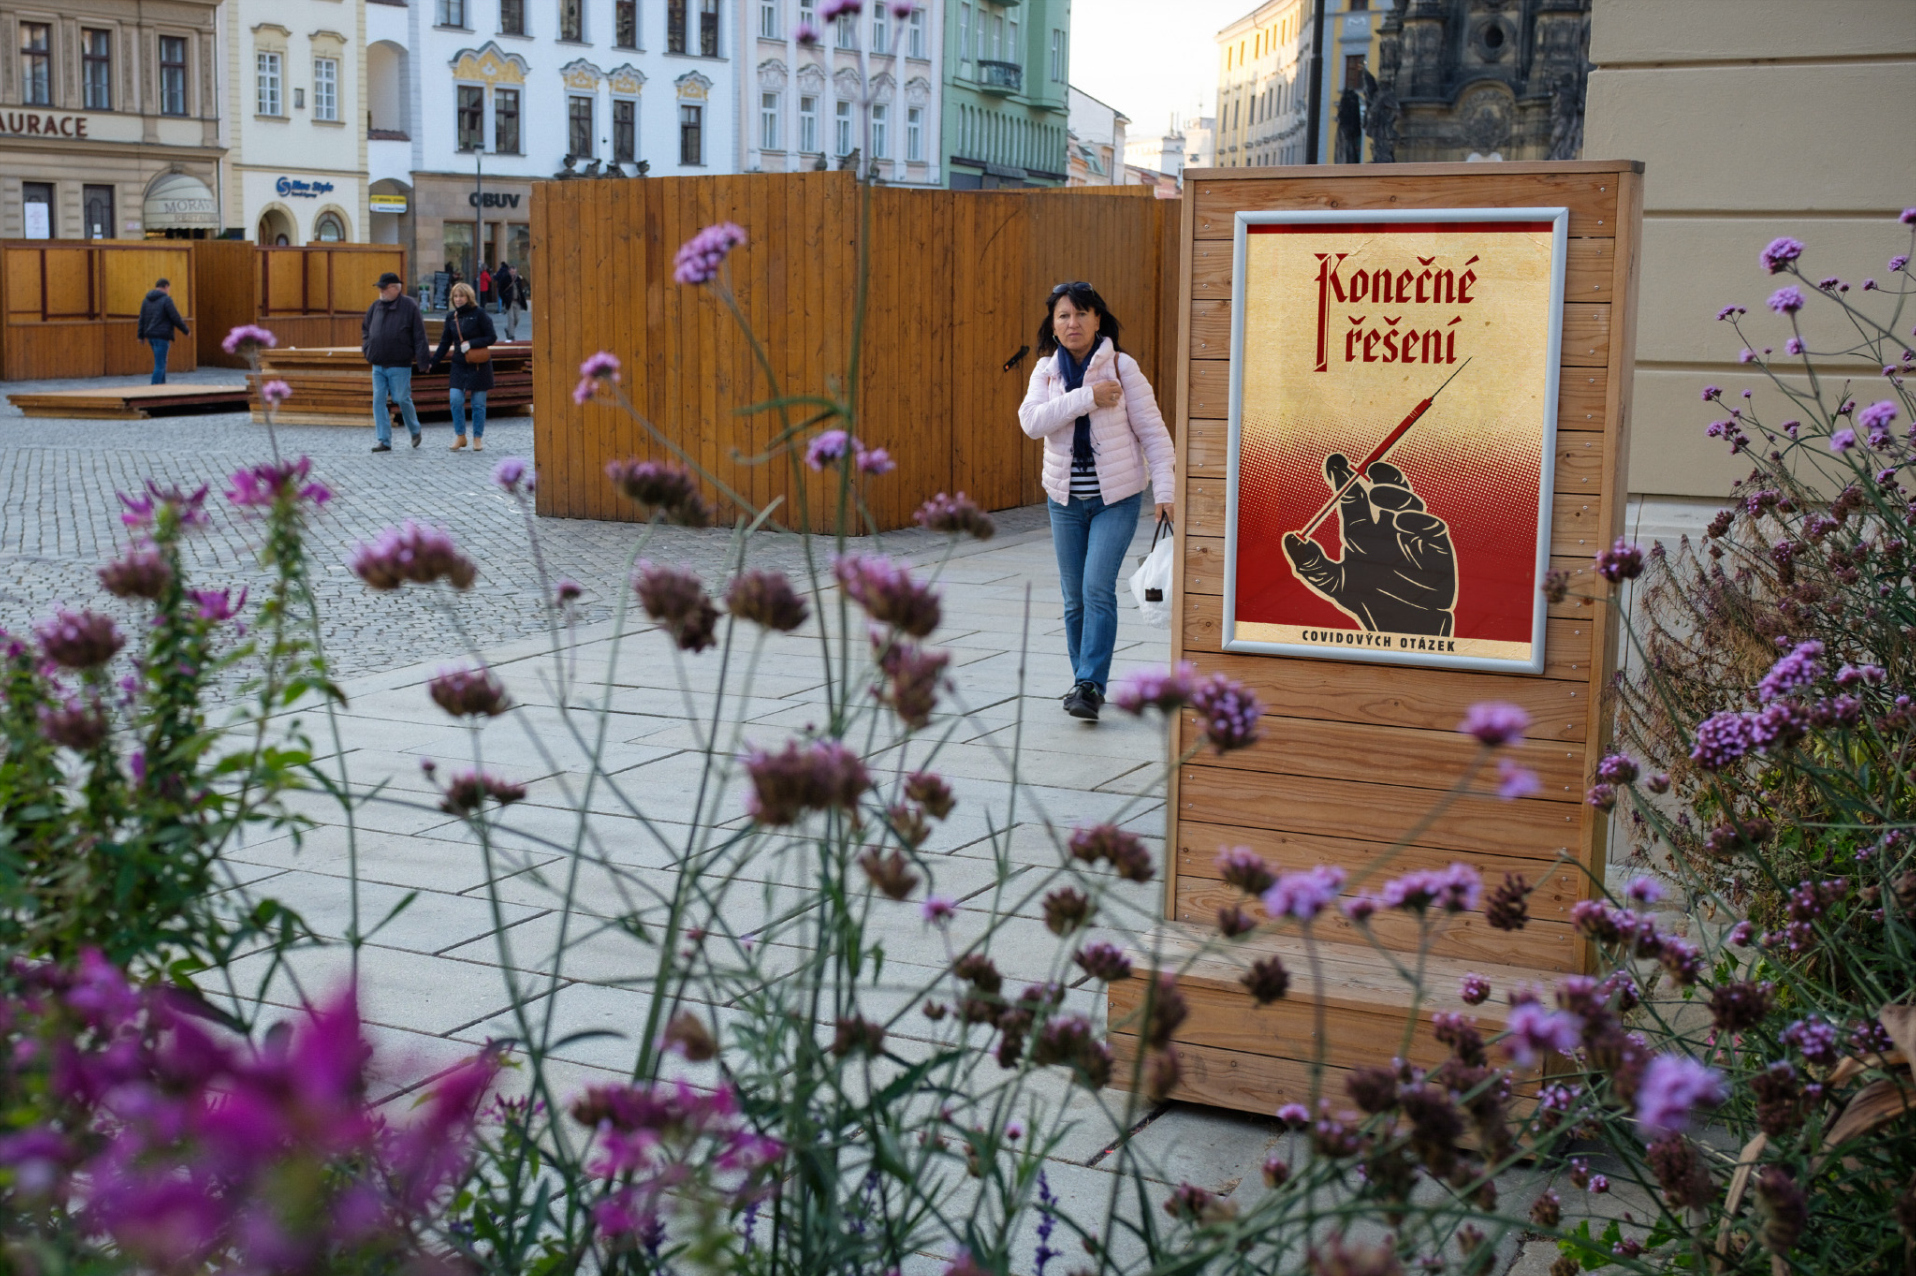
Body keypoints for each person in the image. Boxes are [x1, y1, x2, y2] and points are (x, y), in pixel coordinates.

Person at [1018, 282, 1175, 722]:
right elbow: (1032, 422)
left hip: (1116, 500)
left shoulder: (1123, 367)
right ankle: (1083, 684)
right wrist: (1088, 397)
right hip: (1064, 501)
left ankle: (1090, 683)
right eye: (1064, 316)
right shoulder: (1046, 371)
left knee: (1095, 589)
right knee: (1074, 599)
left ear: (1098, 319)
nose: (1073, 323)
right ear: (1053, 325)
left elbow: (1154, 433)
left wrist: (1165, 492)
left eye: (1082, 314)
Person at [361, 270, 429, 452]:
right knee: (378, 401)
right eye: (380, 288)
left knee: (401, 399)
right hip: (378, 363)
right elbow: (366, 329)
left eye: (384, 288)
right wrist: (368, 349)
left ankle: (415, 430)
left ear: (395, 288)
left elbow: (419, 335)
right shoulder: (376, 306)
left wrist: (423, 361)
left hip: (400, 364)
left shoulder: (409, 306)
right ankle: (384, 440)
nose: (381, 291)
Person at [432, 281, 497, 452]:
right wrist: (433, 362)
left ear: (469, 297)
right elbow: (445, 342)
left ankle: (477, 438)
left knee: (478, 404)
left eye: (461, 296)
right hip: (459, 364)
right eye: (455, 296)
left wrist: (472, 343)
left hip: (479, 364)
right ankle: (460, 436)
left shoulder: (479, 314)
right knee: (455, 399)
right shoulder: (451, 317)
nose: (458, 299)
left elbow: (491, 337)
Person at [136, 278, 189, 385]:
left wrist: (140, 336)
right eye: (169, 288)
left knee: (161, 362)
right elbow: (175, 317)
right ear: (166, 287)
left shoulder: (146, 300)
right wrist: (185, 330)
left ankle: (162, 387)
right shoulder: (166, 300)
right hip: (162, 335)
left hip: (150, 336)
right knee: (160, 364)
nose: (169, 290)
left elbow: (142, 319)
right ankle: (154, 389)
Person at [502, 267, 525, 341]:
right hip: (509, 302)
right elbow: (501, 289)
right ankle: (511, 335)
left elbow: (520, 290)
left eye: (514, 272)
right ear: (509, 271)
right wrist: (504, 298)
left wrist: (523, 301)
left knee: (517, 318)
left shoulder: (518, 279)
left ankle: (508, 329)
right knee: (511, 318)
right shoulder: (505, 279)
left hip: (517, 301)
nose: (513, 273)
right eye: (512, 271)